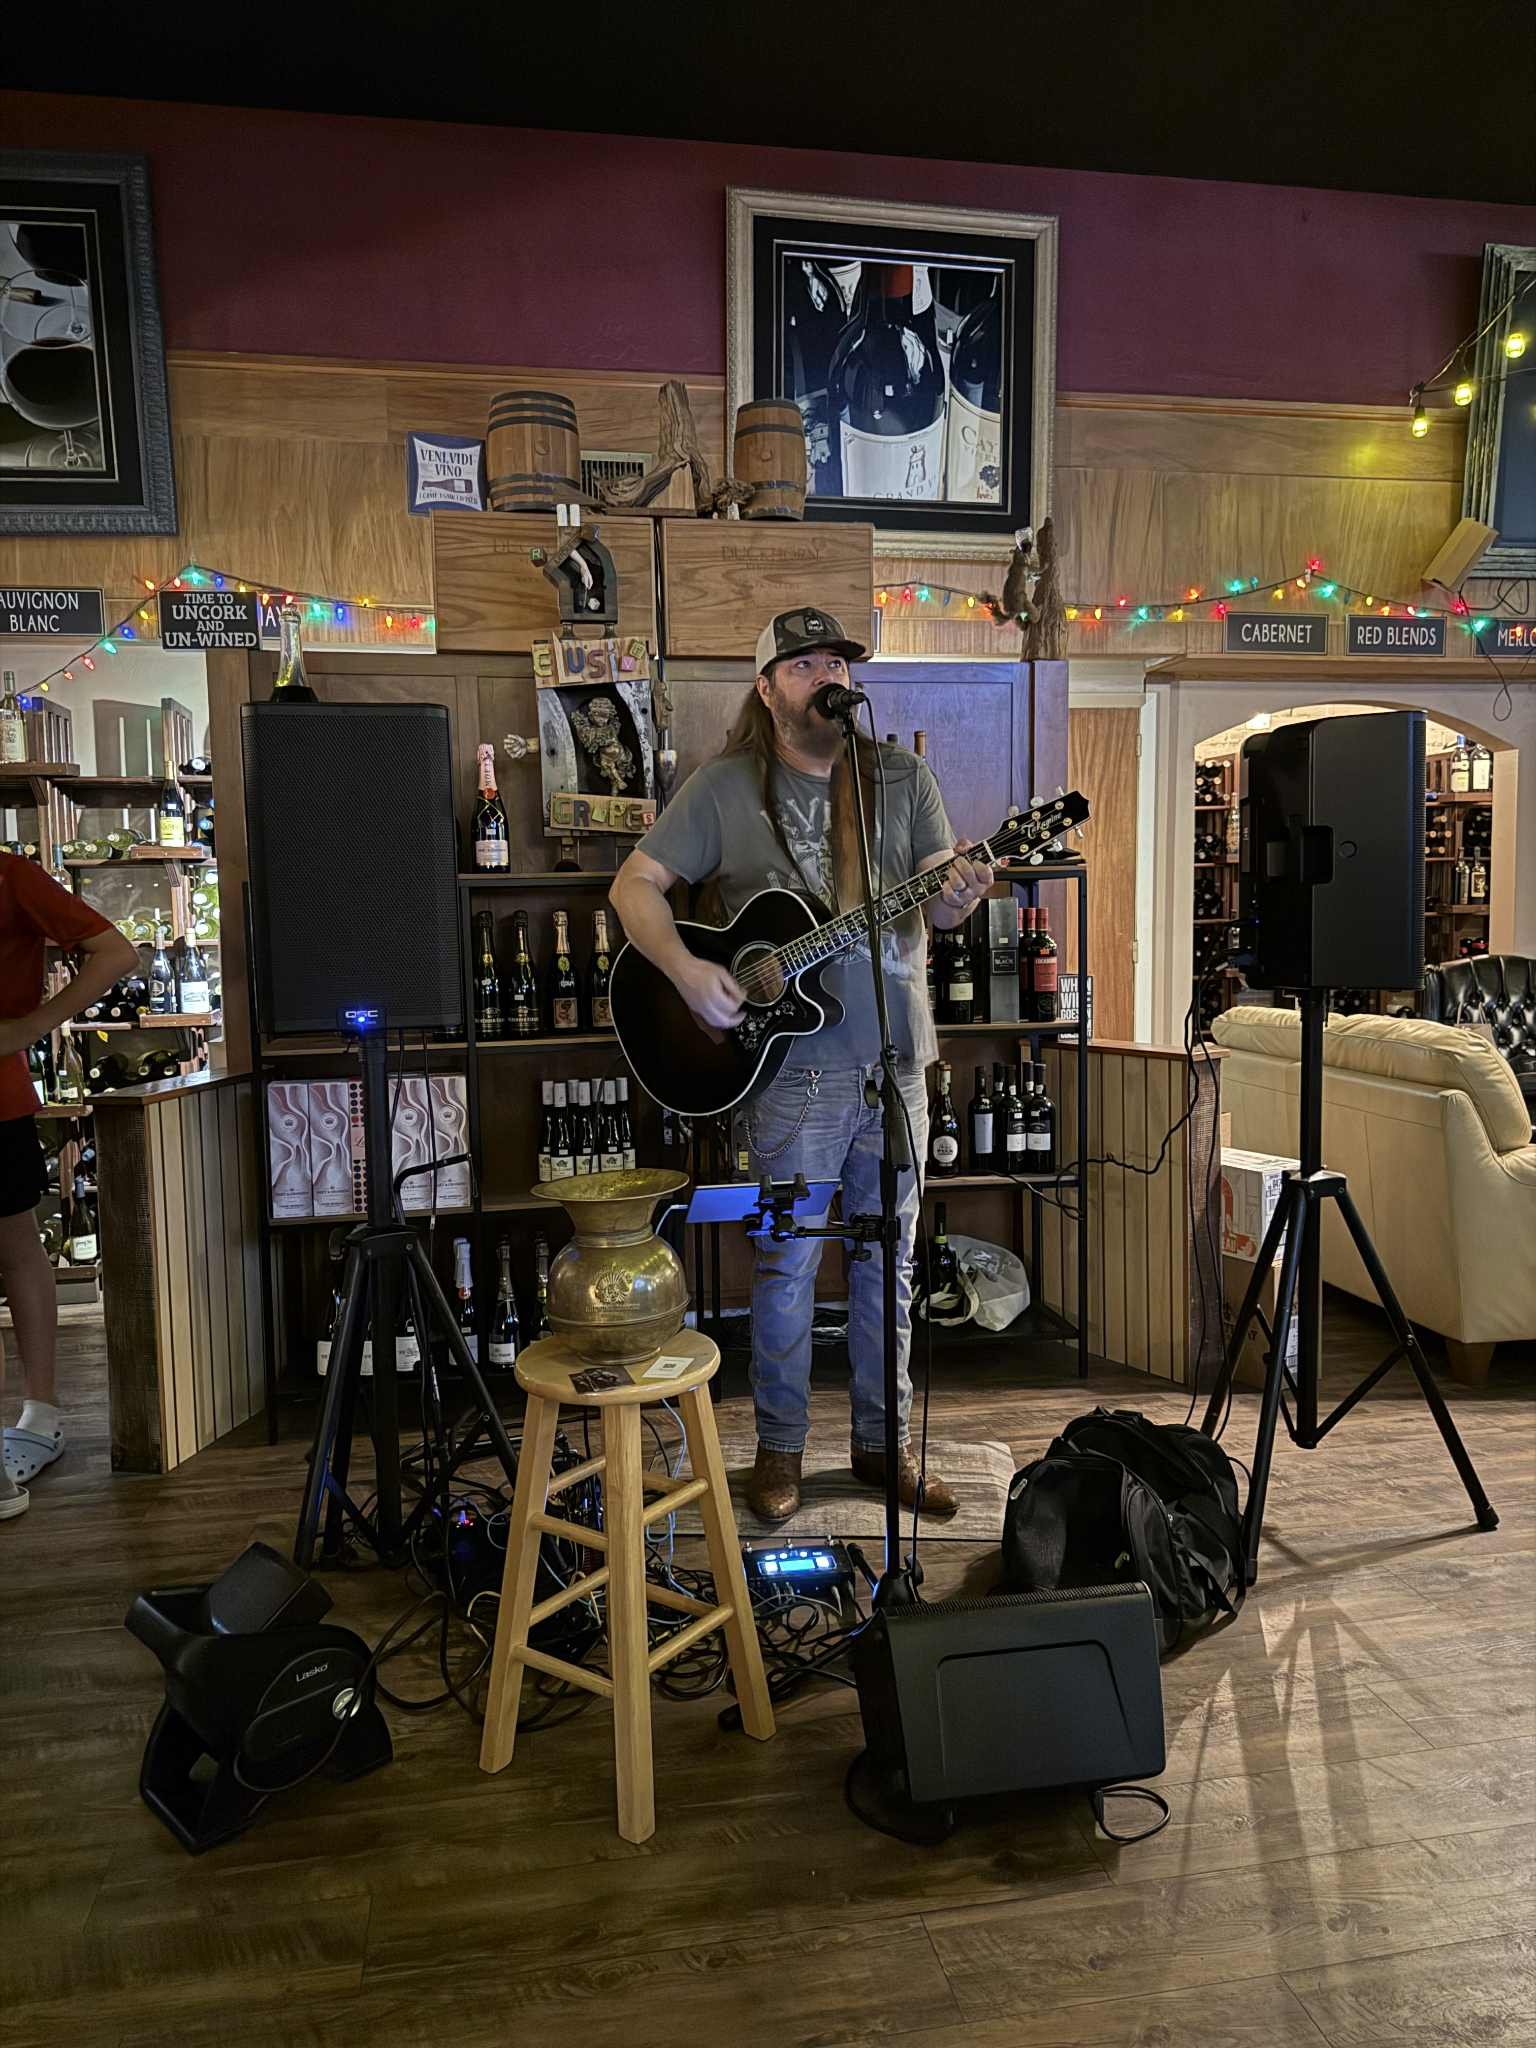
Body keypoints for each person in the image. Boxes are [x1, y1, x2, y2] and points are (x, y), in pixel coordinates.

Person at [610, 607, 992, 1523]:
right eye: (807, 662)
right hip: (790, 1079)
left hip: (898, 1071)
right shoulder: (726, 786)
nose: (831, 675)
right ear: (769, 686)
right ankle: (778, 1453)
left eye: (841, 663)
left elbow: (938, 909)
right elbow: (635, 886)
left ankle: (883, 1445)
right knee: (785, 1263)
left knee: (889, 1263)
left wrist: (965, 895)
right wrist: (690, 971)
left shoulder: (900, 778)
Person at [0, 851, 136, 1521]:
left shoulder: (9, 876)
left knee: (17, 1244)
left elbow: (116, 953)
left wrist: (28, 1028)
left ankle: (41, 1413)